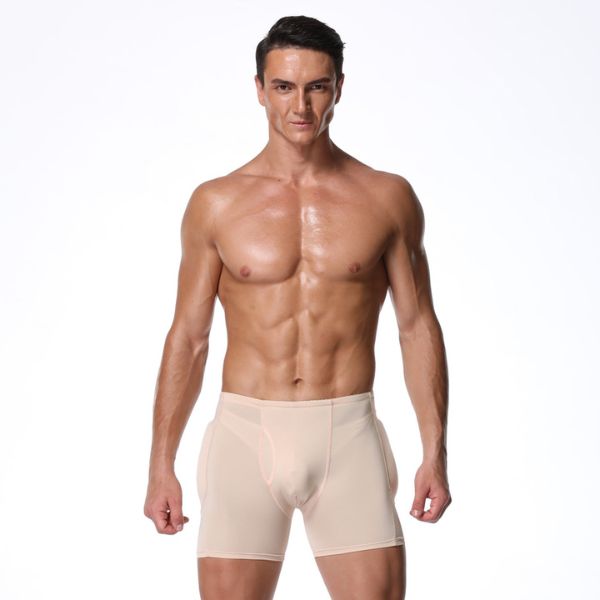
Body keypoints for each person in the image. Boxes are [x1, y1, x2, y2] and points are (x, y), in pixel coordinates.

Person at [143, 14, 451, 600]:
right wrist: (162, 463)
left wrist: (434, 452)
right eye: (284, 86)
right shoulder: (216, 203)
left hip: (347, 436)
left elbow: (417, 328)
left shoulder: (387, 198)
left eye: (317, 86)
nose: (301, 105)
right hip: (244, 436)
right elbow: (189, 337)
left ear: (339, 88)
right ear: (260, 89)